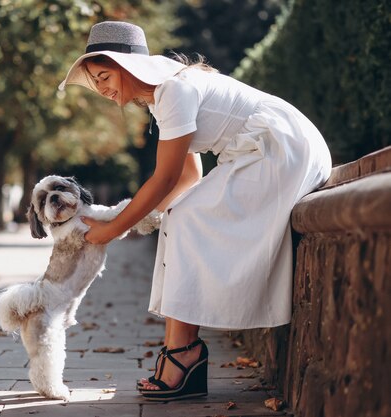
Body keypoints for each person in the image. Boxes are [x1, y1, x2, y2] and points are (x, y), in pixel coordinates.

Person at [58, 21, 332, 401]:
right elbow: (188, 177)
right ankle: (182, 353)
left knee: (184, 216)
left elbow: (166, 177)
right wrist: (143, 219)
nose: (102, 89)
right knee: (181, 214)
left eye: (105, 76)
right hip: (270, 150)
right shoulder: (162, 98)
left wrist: (113, 229)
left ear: (128, 67)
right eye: (96, 82)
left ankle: (183, 355)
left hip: (282, 150)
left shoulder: (174, 90)